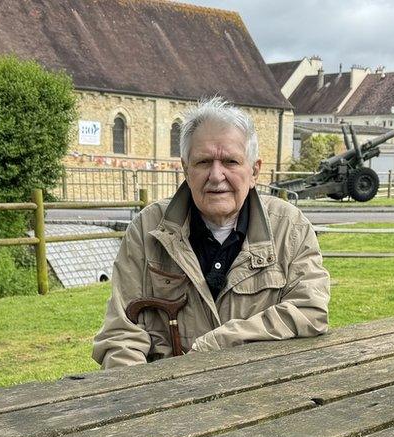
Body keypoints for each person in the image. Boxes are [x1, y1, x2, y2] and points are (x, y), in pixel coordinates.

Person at [93, 97, 330, 368]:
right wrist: (142, 399)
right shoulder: (148, 229)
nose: (216, 176)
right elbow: (121, 336)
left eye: (230, 161)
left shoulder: (290, 227)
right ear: (185, 168)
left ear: (254, 171)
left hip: (260, 394)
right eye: (204, 162)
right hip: (165, 396)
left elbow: (310, 310)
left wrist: (220, 342)